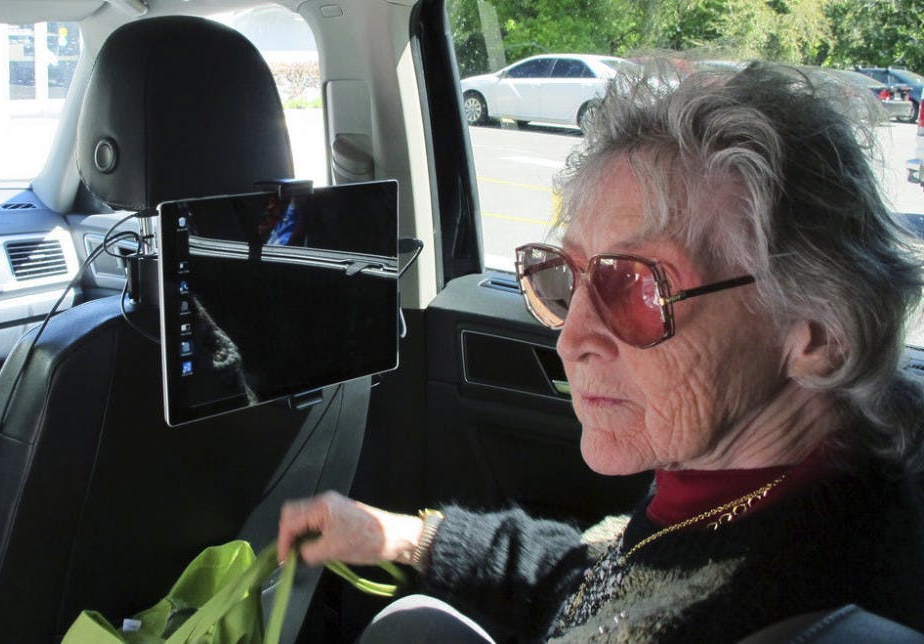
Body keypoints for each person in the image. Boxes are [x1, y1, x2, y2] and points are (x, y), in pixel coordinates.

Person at [276, 62, 924, 642]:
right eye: (565, 276)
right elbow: (600, 587)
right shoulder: (740, 488)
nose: (570, 339)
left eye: (638, 287)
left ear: (818, 332)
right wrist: (407, 537)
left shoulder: (785, 598)